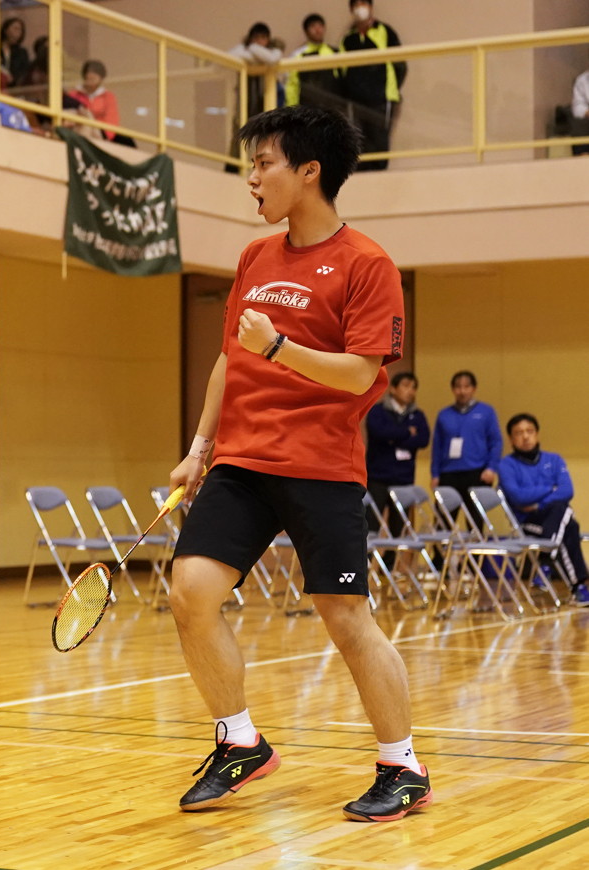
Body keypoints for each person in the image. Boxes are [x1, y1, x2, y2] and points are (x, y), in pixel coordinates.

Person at [168, 105, 431, 822]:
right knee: (189, 589)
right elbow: (230, 357)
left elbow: (360, 374)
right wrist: (199, 447)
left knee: (346, 618)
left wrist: (279, 346)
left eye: (263, 164)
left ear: (309, 172)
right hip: (243, 461)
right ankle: (239, 742)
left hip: (321, 464)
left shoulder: (367, 265)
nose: (251, 178)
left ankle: (402, 765)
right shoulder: (255, 258)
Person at [497, 414, 589, 606]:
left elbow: (567, 490)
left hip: (551, 519)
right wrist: (550, 489)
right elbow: (518, 497)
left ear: (537, 434)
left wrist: (539, 502)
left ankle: (546, 563)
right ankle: (579, 586)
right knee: (567, 522)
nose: (525, 436)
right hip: (528, 522)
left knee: (564, 518)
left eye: (529, 431)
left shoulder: (554, 460)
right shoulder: (506, 465)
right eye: (519, 433)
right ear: (511, 439)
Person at [340, 0, 406, 171]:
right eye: (356, 5)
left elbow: (400, 63)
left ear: (370, 7)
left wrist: (391, 87)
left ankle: (379, 176)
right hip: (356, 100)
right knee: (359, 140)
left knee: (380, 139)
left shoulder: (385, 31)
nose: (359, 8)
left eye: (363, 4)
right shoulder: (348, 39)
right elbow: (342, 69)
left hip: (381, 96)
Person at [431, 370, 501, 525]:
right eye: (458, 387)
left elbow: (495, 442)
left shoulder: (486, 412)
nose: (462, 391)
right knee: (443, 522)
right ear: (453, 389)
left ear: (474, 389)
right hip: (448, 474)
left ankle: (475, 550)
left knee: (475, 522)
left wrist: (491, 468)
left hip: (477, 473)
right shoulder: (444, 414)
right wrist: (435, 474)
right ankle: (441, 550)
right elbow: (437, 446)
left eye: (466, 387)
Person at [364, 371, 429, 530]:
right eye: (406, 386)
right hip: (378, 478)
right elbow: (379, 433)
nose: (410, 391)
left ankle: (391, 557)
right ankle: (367, 556)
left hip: (404, 479)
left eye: (414, 387)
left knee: (398, 529)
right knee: (370, 526)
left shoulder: (417, 415)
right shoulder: (377, 411)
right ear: (392, 389)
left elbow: (423, 440)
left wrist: (393, 437)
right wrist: (407, 432)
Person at [285, 14, 343, 111]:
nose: (317, 29)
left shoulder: (334, 52)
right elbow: (292, 86)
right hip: (307, 111)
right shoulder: (298, 55)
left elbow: (340, 82)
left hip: (332, 110)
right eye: (313, 26)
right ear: (306, 31)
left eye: (320, 26)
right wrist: (292, 111)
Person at [230, 23, 284, 120]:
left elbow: (272, 59)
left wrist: (253, 49)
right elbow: (229, 57)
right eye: (256, 37)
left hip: (267, 104)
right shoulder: (242, 50)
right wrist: (255, 53)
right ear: (250, 39)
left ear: (268, 40)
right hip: (247, 103)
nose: (259, 41)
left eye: (263, 37)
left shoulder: (274, 52)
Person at [67, 60, 130, 144]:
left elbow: (112, 119)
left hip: (100, 134)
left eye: (95, 74)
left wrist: (106, 137)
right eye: (89, 74)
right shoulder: (73, 94)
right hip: (77, 130)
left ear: (101, 78)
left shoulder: (108, 97)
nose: (91, 77)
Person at [571, 65, 589, 156]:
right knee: (579, 125)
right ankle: (584, 159)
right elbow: (577, 107)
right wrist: (587, 112)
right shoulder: (582, 80)